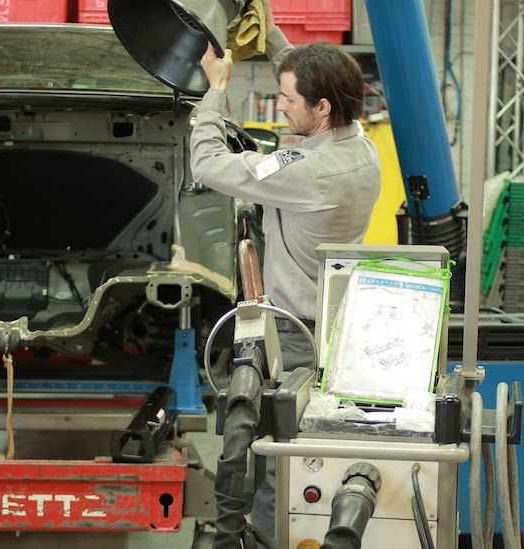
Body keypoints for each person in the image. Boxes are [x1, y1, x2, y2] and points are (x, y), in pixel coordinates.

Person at [189, 22, 382, 540]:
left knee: (279, 458)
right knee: (285, 451)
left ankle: (272, 539)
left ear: (322, 107)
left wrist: (216, 90)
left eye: (288, 98)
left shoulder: (308, 173)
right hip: (328, 324)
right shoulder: (359, 147)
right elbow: (313, 80)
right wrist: (272, 33)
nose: (281, 105)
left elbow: (207, 163)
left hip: (296, 337)